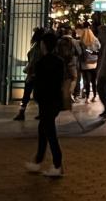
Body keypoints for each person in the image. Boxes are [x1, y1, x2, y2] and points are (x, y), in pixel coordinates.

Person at [25, 33, 66, 177]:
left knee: (49, 131)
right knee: (43, 129)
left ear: (44, 45)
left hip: (46, 100)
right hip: (55, 100)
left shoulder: (41, 63)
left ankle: (57, 164)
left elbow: (39, 84)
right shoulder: (59, 62)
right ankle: (38, 161)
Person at [14, 27, 44, 120]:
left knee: (27, 94)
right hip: (39, 74)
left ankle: (22, 112)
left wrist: (30, 71)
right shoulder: (41, 47)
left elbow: (33, 61)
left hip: (33, 74)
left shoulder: (36, 47)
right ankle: (41, 112)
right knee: (39, 95)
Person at [78, 24, 99, 103]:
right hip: (94, 62)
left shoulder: (81, 41)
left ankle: (87, 97)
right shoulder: (95, 40)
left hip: (85, 63)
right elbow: (99, 48)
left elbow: (80, 52)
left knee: (86, 80)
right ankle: (94, 96)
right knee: (93, 80)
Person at [56, 36, 77, 114]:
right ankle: (68, 102)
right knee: (70, 82)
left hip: (65, 67)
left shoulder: (60, 44)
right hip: (71, 66)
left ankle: (65, 104)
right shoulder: (72, 44)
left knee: (65, 85)